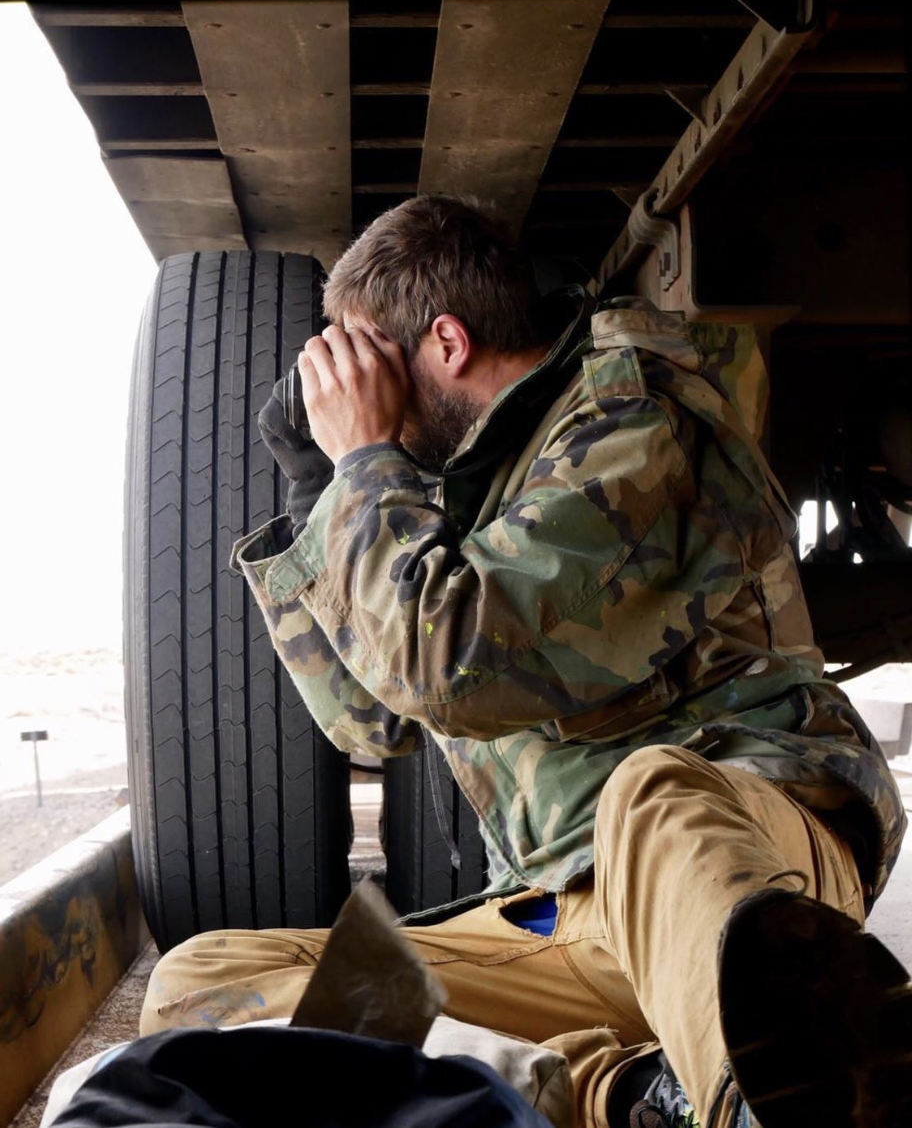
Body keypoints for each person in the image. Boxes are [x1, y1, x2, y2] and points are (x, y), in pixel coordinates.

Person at [140, 196, 909, 1127]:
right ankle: (618, 1092)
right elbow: (377, 717)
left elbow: (448, 666)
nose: (350, 397)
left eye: (366, 361)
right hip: (572, 924)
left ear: (448, 343)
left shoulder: (634, 423)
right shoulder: (461, 490)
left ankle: (763, 1098)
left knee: (649, 790)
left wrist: (367, 464)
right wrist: (323, 495)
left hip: (727, 861)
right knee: (206, 985)